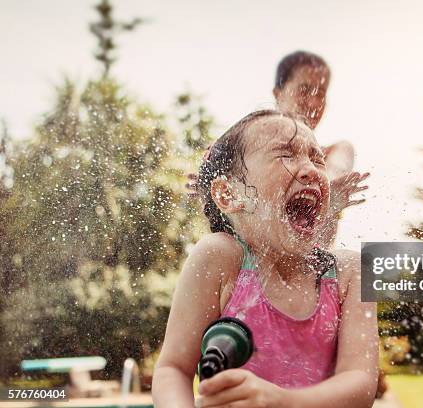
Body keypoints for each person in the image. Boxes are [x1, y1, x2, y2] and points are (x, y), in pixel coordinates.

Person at [153, 110, 379, 408]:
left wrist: (282, 402)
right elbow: (173, 370)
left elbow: (360, 383)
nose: (309, 169)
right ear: (228, 194)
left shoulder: (349, 273)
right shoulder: (220, 259)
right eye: (285, 154)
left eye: (317, 158)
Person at [186, 51, 368, 248]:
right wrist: (212, 192)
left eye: (321, 93)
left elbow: (333, 176)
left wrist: (329, 195)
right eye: (304, 90)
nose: (314, 102)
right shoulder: (244, 151)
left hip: (316, 273)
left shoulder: (336, 151)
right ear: (278, 93)